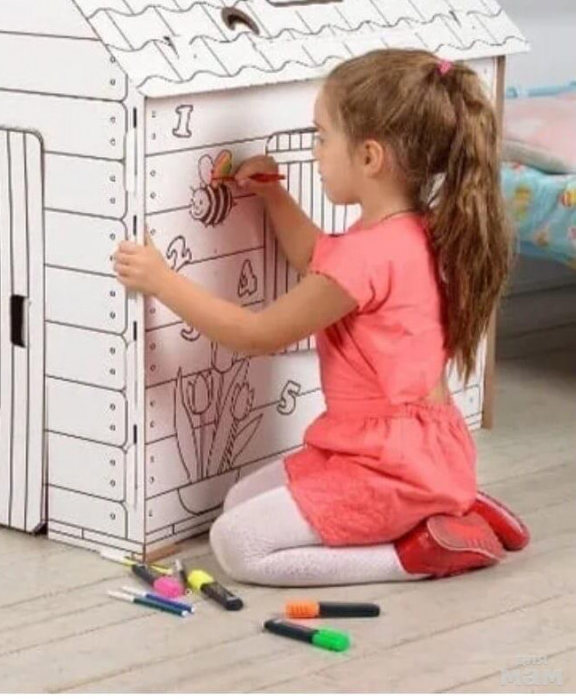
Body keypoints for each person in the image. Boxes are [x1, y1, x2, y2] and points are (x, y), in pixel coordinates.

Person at [112, 49, 530, 586]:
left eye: (322, 137)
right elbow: (317, 257)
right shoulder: (408, 231)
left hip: (390, 466)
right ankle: (444, 506)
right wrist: (272, 194)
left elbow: (259, 334)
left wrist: (160, 280)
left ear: (370, 157)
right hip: (402, 451)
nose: (315, 152)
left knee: (237, 544)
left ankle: (419, 552)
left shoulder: (370, 254)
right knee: (239, 502)